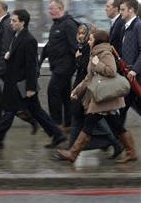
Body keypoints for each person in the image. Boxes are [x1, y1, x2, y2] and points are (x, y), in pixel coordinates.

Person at [0, 9, 65, 149]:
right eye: (11, 20)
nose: (11, 23)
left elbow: (31, 66)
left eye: (14, 21)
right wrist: (9, 56)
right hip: (17, 83)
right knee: (35, 111)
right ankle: (57, 135)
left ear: (23, 22)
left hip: (23, 84)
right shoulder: (18, 36)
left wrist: (30, 88)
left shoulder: (29, 40)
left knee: (11, 111)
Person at [57, 30, 138, 163]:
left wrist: (97, 64)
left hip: (104, 97)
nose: (89, 40)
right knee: (116, 125)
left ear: (97, 41)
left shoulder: (105, 53)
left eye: (91, 39)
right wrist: (77, 91)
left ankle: (73, 153)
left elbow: (111, 71)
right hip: (101, 96)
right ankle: (131, 152)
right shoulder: (94, 54)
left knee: (89, 123)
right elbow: (89, 78)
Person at [64, 24, 123, 159]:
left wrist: (79, 59)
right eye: (79, 32)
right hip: (84, 87)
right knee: (80, 117)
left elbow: (103, 70)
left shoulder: (96, 51)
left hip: (93, 89)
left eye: (85, 34)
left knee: (95, 119)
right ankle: (72, 148)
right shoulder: (83, 48)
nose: (81, 35)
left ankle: (113, 143)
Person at [0, 0, 38, 137]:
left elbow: (6, 50)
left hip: (1, 73)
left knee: (3, 105)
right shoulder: (3, 25)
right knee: (1, 105)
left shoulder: (6, 26)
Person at [40, 0, 79, 132]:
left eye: (51, 8)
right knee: (64, 95)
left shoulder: (68, 24)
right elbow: (50, 45)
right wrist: (39, 61)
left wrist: (81, 65)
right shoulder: (56, 24)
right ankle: (68, 125)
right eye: (49, 8)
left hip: (65, 67)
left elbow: (75, 47)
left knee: (52, 91)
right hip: (56, 66)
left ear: (60, 8)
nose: (49, 11)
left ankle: (56, 125)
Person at [119, 0, 141, 121]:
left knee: (122, 107)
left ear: (131, 10)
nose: (120, 12)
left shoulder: (138, 25)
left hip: (135, 76)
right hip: (128, 76)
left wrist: (134, 70)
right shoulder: (125, 27)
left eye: (123, 9)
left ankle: (116, 138)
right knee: (123, 107)